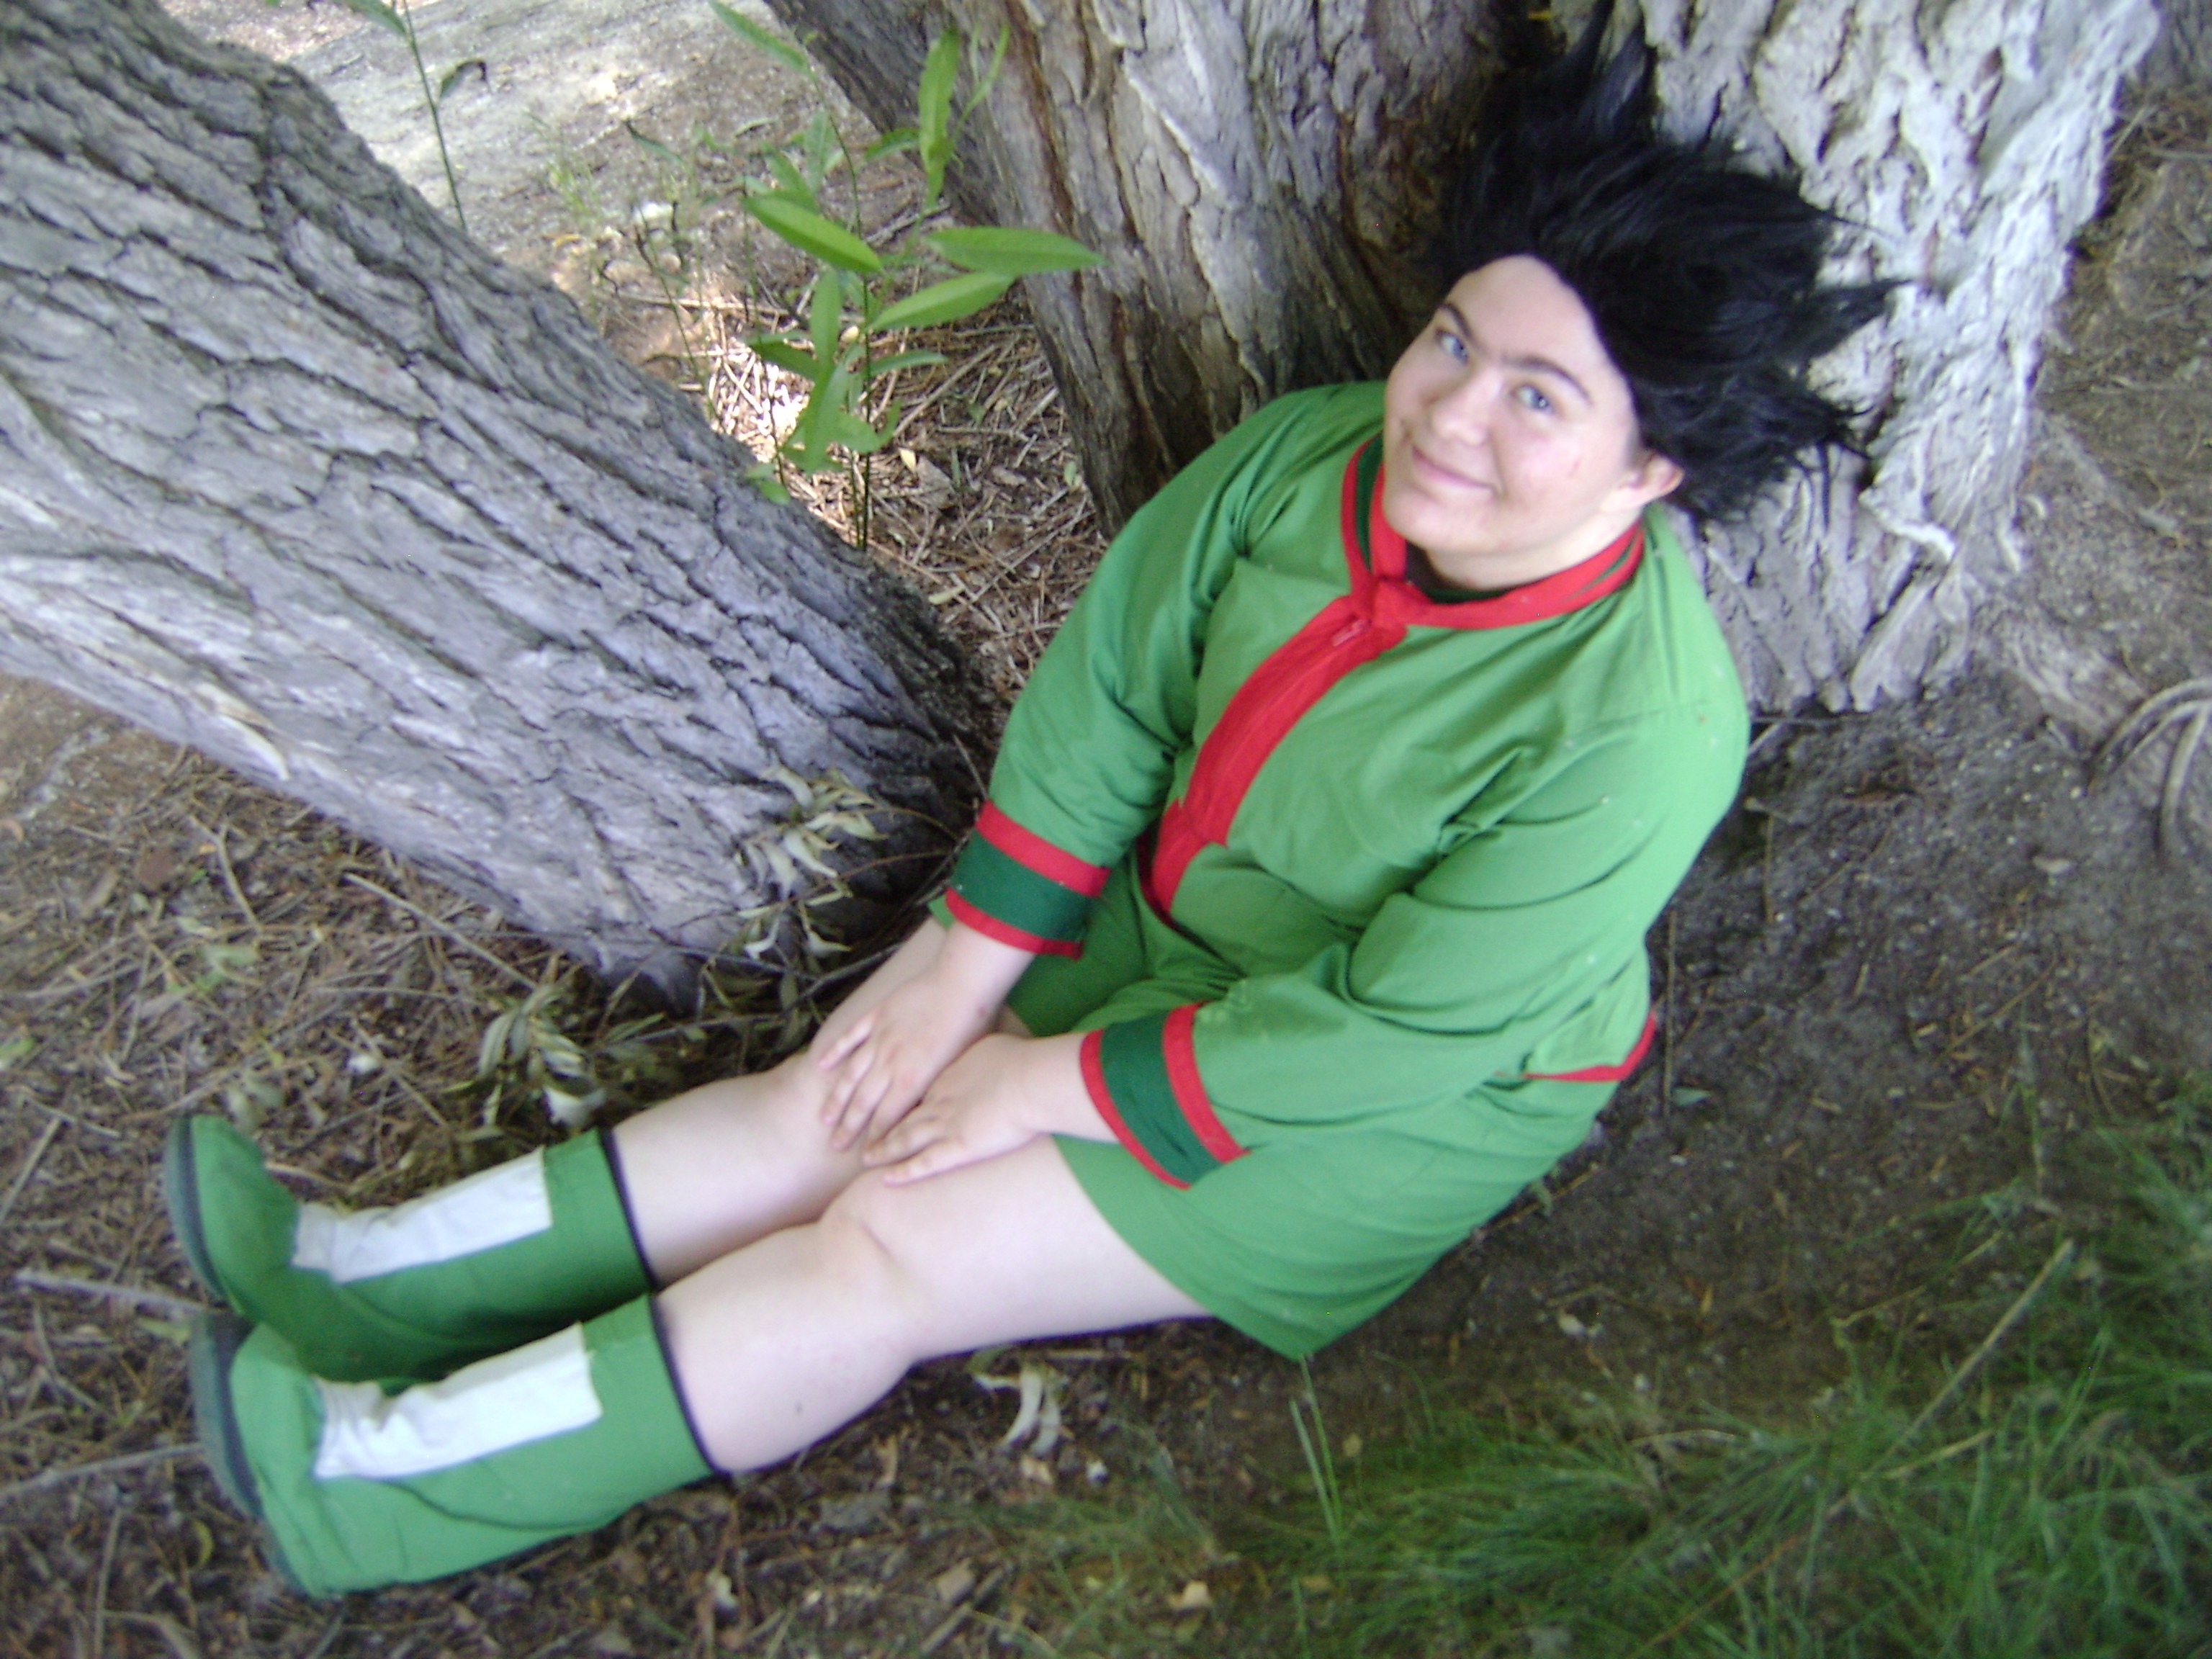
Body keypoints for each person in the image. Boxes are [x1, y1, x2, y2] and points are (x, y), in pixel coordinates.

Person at [166, 10, 1890, 1596]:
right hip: (1176, 927)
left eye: (1539, 399)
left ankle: (371, 1481)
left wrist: (1042, 1082)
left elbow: (1399, 1032)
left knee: (891, 1238)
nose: (1450, 411)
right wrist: (961, 974)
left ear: (1651, 466)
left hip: (1377, 1102)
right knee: (837, 1099)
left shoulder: (1642, 730)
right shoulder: (1312, 459)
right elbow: (1114, 693)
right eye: (1456, 340)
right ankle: (352, 1278)